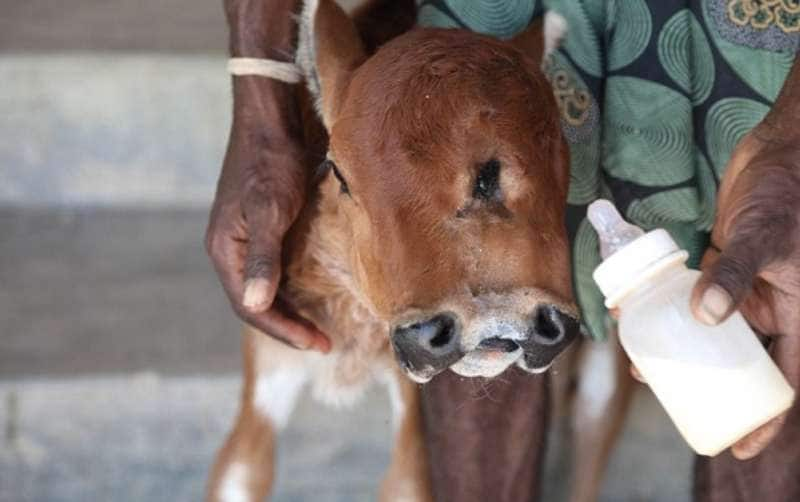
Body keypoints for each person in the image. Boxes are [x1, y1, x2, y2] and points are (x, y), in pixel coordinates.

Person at [206, 0, 800, 500]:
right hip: (491, 18)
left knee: (763, 279)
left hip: (742, 37)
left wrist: (793, 139)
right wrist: (261, 99)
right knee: (459, 283)